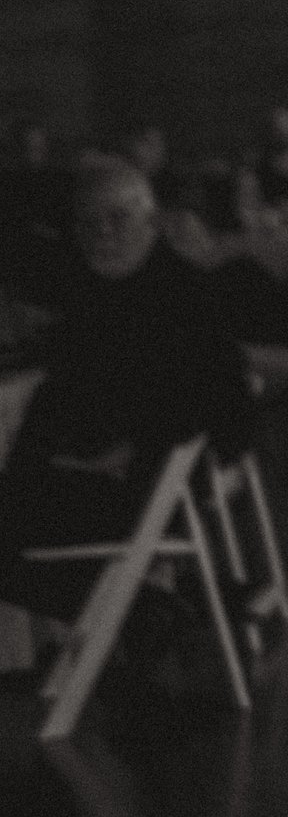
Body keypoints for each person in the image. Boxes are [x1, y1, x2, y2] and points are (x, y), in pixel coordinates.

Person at [0, 159, 252, 626]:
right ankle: (166, 615)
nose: (104, 234)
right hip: (101, 481)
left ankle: (150, 621)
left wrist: (133, 449)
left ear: (152, 220)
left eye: (118, 218)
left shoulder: (185, 296)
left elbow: (225, 407)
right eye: (90, 224)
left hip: (147, 490)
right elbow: (65, 393)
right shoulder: (93, 295)